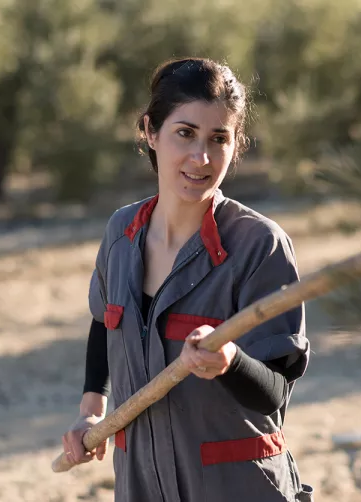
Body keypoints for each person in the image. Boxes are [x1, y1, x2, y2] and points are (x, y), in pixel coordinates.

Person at [60, 57, 314, 502]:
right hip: (142, 486)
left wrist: (229, 361)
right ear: (151, 132)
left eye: (219, 139)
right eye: (185, 133)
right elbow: (105, 322)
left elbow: (274, 391)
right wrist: (90, 411)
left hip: (238, 489)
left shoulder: (259, 246)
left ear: (237, 144)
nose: (201, 158)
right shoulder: (121, 234)